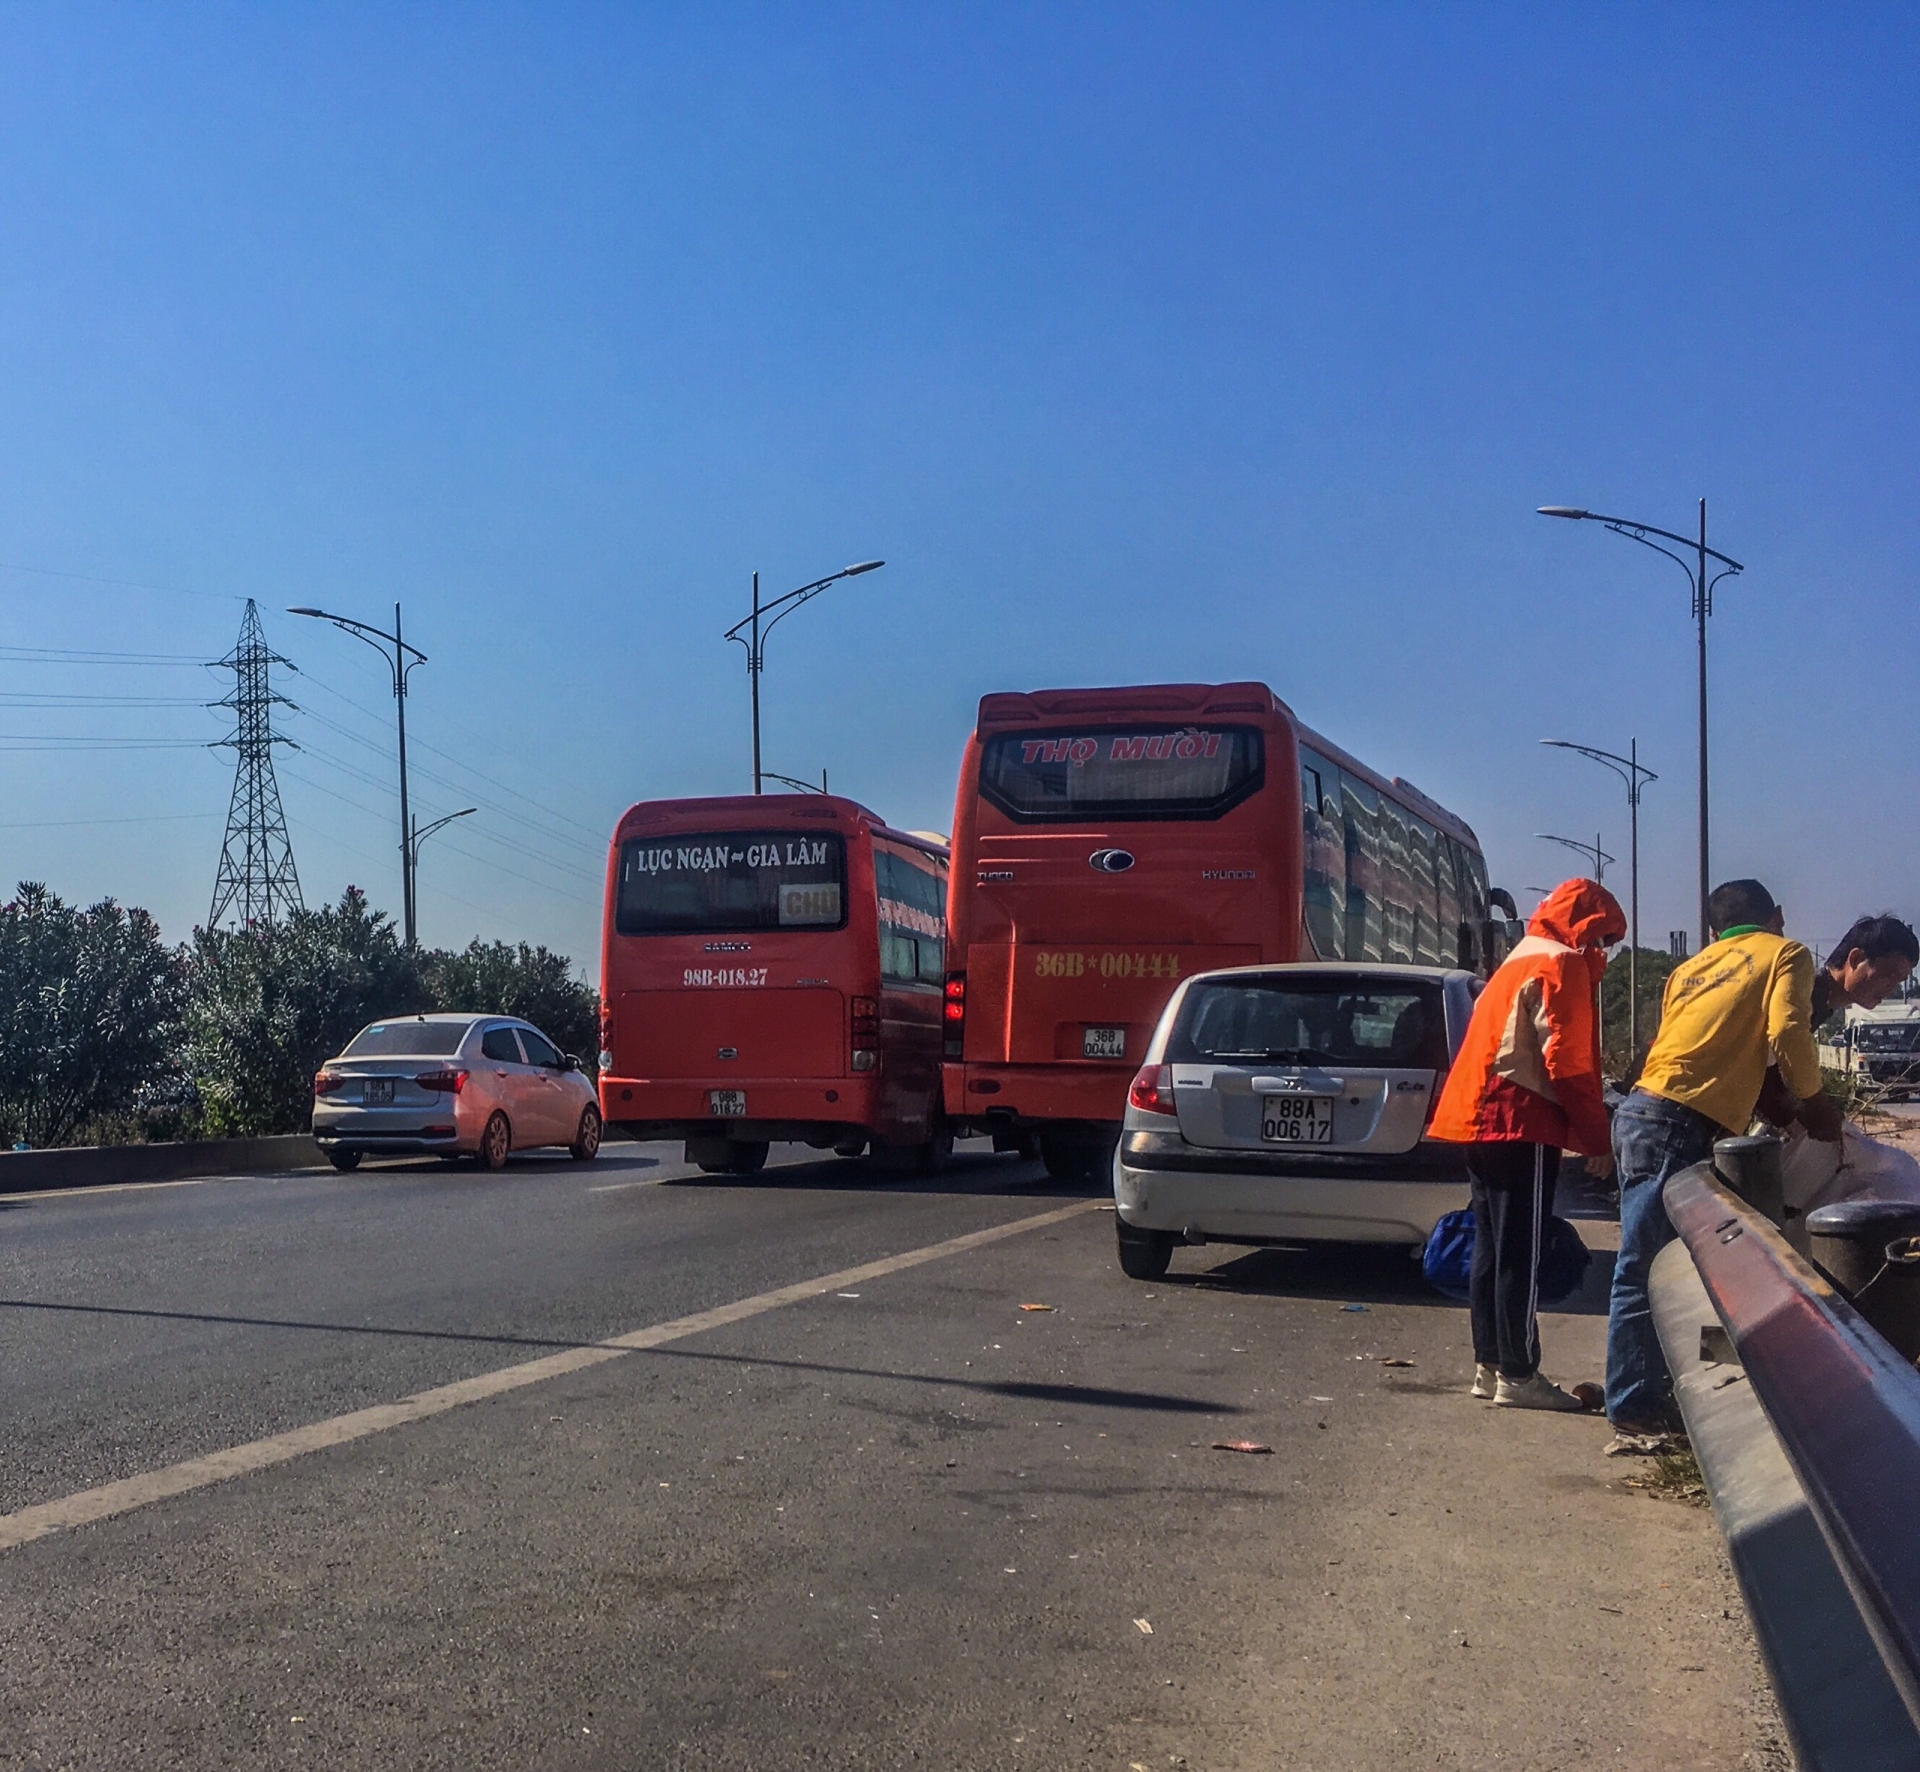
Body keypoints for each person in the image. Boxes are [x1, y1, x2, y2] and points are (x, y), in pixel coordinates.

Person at [1605, 879, 1837, 1445]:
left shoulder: (1692, 968)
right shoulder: (1786, 953)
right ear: (1777, 916)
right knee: (1643, 1264)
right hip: (1676, 1122)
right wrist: (1814, 1102)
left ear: (1713, 932)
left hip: (1642, 1111)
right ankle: (1634, 1406)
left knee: (1660, 1263)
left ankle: (1655, 1393)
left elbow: (1702, 1045)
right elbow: (1786, 1030)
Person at [1430, 877, 1625, 1410]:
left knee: (1491, 1248)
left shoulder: (1517, 960)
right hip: (1521, 1119)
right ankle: (1518, 1373)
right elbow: (1569, 1063)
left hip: (1479, 1116)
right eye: (1605, 939)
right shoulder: (1560, 964)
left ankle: (1489, 1364)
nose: (1604, 952)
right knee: (1522, 1249)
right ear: (1586, 928)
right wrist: (1596, 1140)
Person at [1757, 914, 1918, 1127]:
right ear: (1856, 959)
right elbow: (1766, 1062)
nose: (1892, 988)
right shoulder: (1805, 993)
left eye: (1900, 981)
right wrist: (1814, 1109)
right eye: (1889, 975)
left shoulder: (1823, 1002)